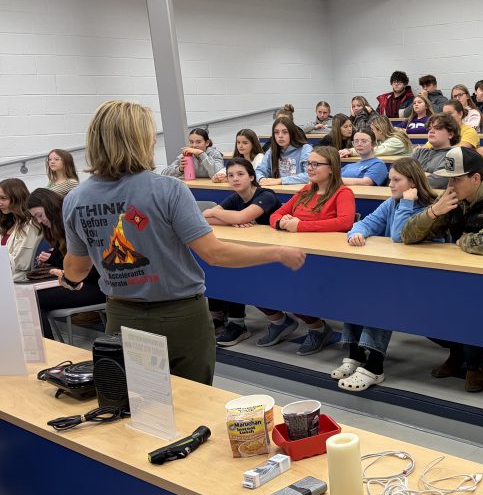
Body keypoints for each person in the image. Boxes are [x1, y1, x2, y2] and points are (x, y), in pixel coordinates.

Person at [59, 100, 304, 383]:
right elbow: (215, 254)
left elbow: (76, 270)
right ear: (141, 139)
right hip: (180, 317)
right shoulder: (168, 189)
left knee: (139, 407)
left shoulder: (76, 200)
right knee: (194, 405)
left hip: (122, 316)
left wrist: (67, 276)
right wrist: (276, 253)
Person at [402, 146, 483, 392]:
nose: (450, 185)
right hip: (463, 275)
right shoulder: (451, 199)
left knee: (467, 303)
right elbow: (408, 235)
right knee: (414, 306)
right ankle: (459, 351)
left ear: (476, 178)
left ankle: (475, 364)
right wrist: (434, 211)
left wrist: (462, 241)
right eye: (447, 179)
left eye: (456, 179)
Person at [333, 158, 436, 391]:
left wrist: (408, 204)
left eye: (397, 180)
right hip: (394, 273)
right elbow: (365, 223)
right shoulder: (393, 202)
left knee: (382, 297)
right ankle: (356, 353)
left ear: (413, 182)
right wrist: (356, 234)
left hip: (421, 279)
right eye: (390, 179)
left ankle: (374, 366)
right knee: (356, 288)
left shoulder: (428, 210)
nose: (390, 184)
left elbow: (400, 236)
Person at [258, 146, 355, 356]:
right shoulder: (306, 190)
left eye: (315, 164)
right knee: (260, 281)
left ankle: (318, 328)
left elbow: (345, 222)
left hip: (322, 255)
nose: (309, 168)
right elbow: (277, 214)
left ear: (331, 168)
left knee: (292, 289)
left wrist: (300, 225)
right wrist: (280, 223)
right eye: (308, 164)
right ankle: (283, 321)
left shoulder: (343, 192)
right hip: (294, 248)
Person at [202, 158, 282, 346]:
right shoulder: (236, 198)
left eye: (240, 174)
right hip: (252, 250)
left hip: (273, 253)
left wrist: (229, 217)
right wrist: (231, 219)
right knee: (219, 263)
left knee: (233, 266)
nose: (235, 179)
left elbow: (239, 216)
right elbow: (204, 216)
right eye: (230, 176)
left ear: (252, 177)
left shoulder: (266, 195)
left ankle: (238, 323)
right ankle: (225, 319)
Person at [26, 188, 105, 339]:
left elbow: (90, 269)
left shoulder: (75, 224)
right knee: (29, 298)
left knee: (31, 300)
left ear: (50, 208)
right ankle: (46, 351)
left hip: (97, 286)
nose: (39, 221)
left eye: (40, 215)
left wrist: (59, 265)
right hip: (82, 282)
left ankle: (47, 353)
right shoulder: (61, 229)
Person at [0, 178, 42, 282]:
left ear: (17, 198)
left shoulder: (31, 225)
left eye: (3, 198)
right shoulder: (8, 223)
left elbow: (21, 263)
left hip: (18, 281)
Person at [256, 118, 311, 186]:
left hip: (299, 193)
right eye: (276, 132)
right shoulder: (272, 150)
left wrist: (281, 180)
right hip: (277, 192)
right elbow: (259, 170)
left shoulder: (305, 149)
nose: (280, 136)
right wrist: (261, 179)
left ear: (292, 133)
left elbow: (309, 175)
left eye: (285, 132)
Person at [413, 113, 462, 188]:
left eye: (437, 128)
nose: (431, 131)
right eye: (429, 128)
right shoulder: (418, 152)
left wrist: (412, 176)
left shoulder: (454, 155)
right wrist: (426, 175)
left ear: (450, 135)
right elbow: (399, 174)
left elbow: (438, 182)